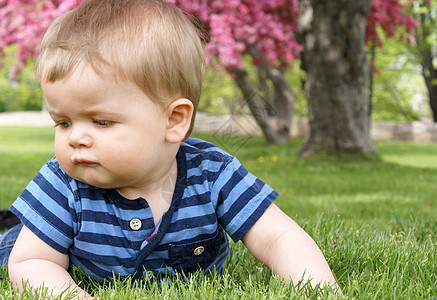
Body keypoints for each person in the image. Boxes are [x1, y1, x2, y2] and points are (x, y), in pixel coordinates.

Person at [0, 0, 340, 298]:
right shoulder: (63, 183)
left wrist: (317, 290)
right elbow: (33, 261)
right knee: (15, 243)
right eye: (63, 122)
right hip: (26, 244)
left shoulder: (212, 173)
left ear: (173, 120)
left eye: (101, 122)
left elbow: (278, 237)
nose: (76, 138)